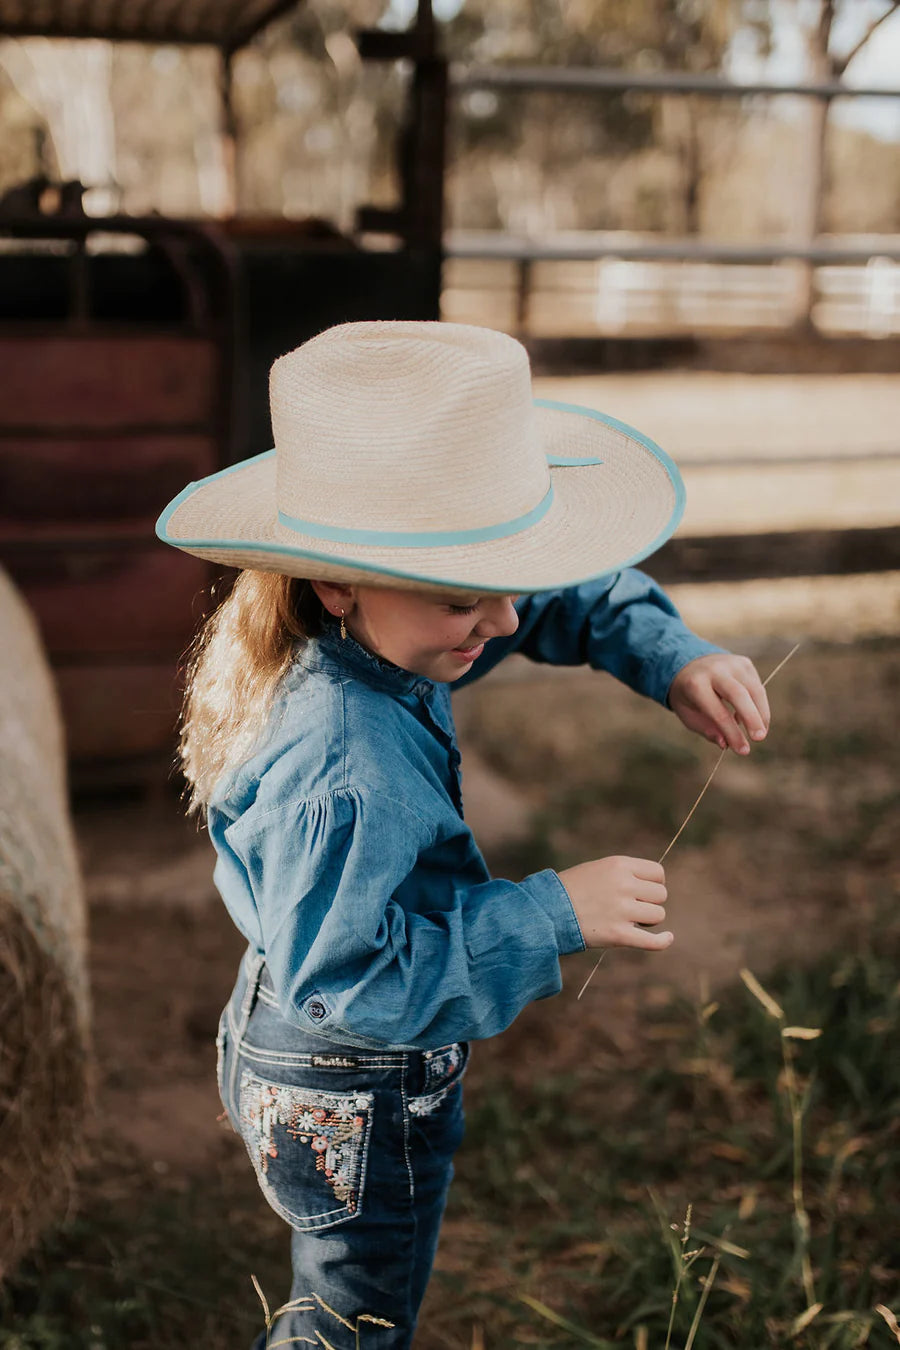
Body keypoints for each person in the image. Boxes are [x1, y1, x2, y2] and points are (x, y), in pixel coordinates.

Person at [156, 320, 770, 1348]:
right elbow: (356, 984)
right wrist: (550, 912)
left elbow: (551, 599)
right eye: (463, 595)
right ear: (336, 580)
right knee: (352, 1319)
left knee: (344, 1291)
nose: (502, 620)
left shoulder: (375, 637)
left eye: (507, 580)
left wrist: (667, 653)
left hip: (297, 1045)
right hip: (350, 1084)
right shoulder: (343, 762)